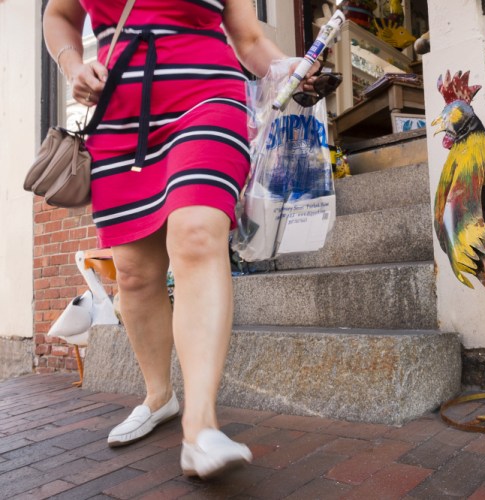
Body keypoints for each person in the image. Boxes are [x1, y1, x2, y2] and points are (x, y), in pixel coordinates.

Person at [43, 0, 319, 480]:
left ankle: (201, 426)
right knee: (133, 274)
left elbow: (248, 39)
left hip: (208, 98)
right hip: (119, 118)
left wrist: (286, 68)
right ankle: (159, 397)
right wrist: (72, 65)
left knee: (195, 235)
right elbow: (58, 15)